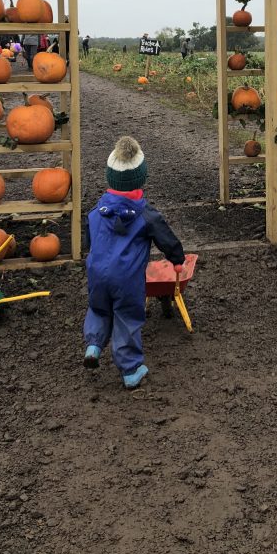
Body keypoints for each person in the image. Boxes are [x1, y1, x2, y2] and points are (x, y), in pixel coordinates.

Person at [83, 136, 185, 389]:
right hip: (127, 278)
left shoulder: (96, 212)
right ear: (142, 178)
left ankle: (94, 345)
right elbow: (166, 238)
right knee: (127, 317)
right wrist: (177, 260)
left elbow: (88, 238)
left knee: (98, 308)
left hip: (96, 271)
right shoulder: (145, 215)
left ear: (110, 179)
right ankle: (130, 370)